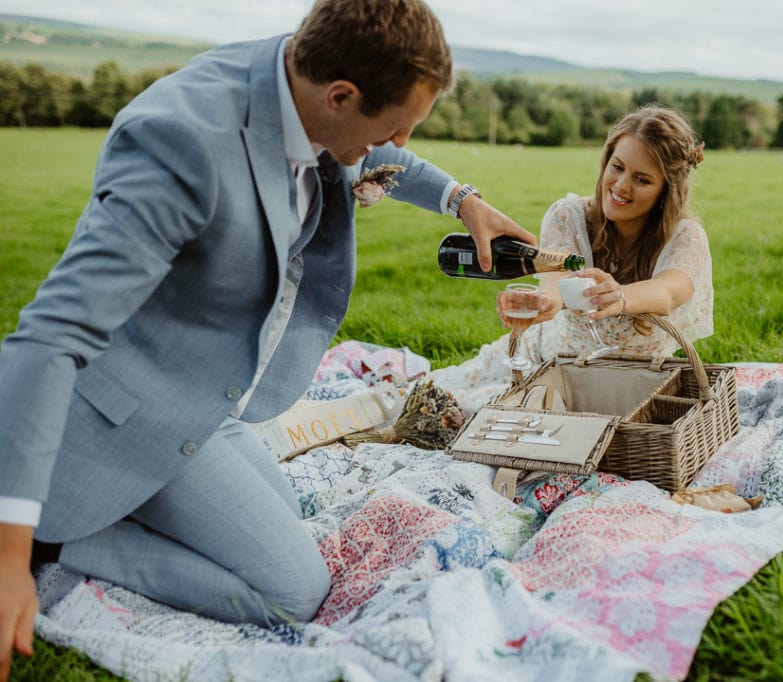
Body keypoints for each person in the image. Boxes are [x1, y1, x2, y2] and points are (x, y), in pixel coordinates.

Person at [0, 0, 537, 676]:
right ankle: (53, 543)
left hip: (205, 393)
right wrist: (7, 554)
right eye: (390, 131)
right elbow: (50, 337)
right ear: (339, 97)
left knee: (281, 508)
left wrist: (464, 200)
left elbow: (385, 155)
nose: (394, 147)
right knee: (292, 589)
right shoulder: (181, 144)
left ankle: (98, 510)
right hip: (118, 411)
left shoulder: (301, 73)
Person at [431, 104, 713, 412]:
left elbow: (668, 291)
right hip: (546, 365)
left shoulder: (685, 236)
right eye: (617, 167)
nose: (620, 186)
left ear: (665, 190)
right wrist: (546, 301)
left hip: (633, 388)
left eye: (642, 180)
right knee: (447, 404)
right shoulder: (569, 215)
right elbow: (555, 277)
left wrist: (619, 296)